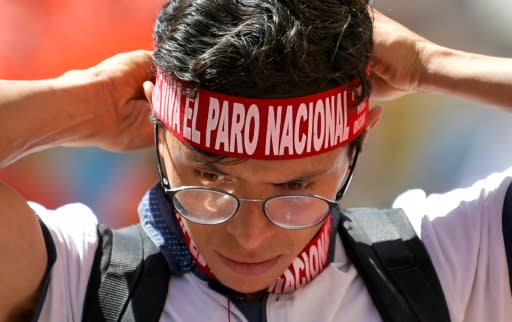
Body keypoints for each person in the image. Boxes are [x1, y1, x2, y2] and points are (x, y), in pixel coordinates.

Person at [0, 2, 511, 322]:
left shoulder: (452, 265)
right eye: (209, 178)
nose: (248, 235)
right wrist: (79, 103)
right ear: (159, 141)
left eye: (296, 187)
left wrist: (433, 65)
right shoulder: (74, 278)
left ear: (356, 147)